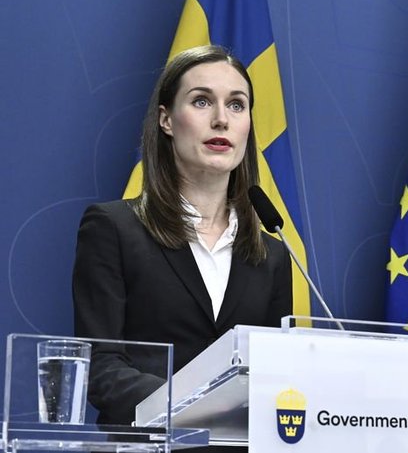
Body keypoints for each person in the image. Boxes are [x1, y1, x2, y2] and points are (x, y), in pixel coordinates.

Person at [72, 45, 293, 429]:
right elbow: (101, 365)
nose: (221, 120)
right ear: (167, 121)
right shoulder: (113, 228)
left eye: (237, 105)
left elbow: (276, 375)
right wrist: (201, 405)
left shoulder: (271, 253)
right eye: (202, 101)